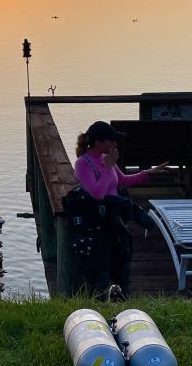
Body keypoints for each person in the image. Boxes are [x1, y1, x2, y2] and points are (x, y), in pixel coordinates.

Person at [72, 121, 170, 297]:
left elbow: (123, 180)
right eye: (111, 141)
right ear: (99, 142)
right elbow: (97, 194)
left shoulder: (105, 159)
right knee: (102, 269)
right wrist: (108, 167)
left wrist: (149, 173)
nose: (115, 145)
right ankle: (101, 301)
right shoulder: (83, 164)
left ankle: (122, 298)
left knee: (122, 264)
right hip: (99, 226)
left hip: (117, 221)